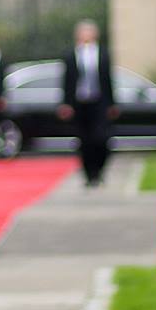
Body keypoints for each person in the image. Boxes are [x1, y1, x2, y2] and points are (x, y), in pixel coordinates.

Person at [56, 20, 114, 187]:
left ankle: (99, 170)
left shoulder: (103, 54)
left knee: (101, 138)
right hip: (79, 103)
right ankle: (89, 174)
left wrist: (111, 103)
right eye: (83, 32)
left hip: (99, 102)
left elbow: (108, 80)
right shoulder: (71, 55)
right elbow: (66, 81)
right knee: (84, 140)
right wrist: (65, 103)